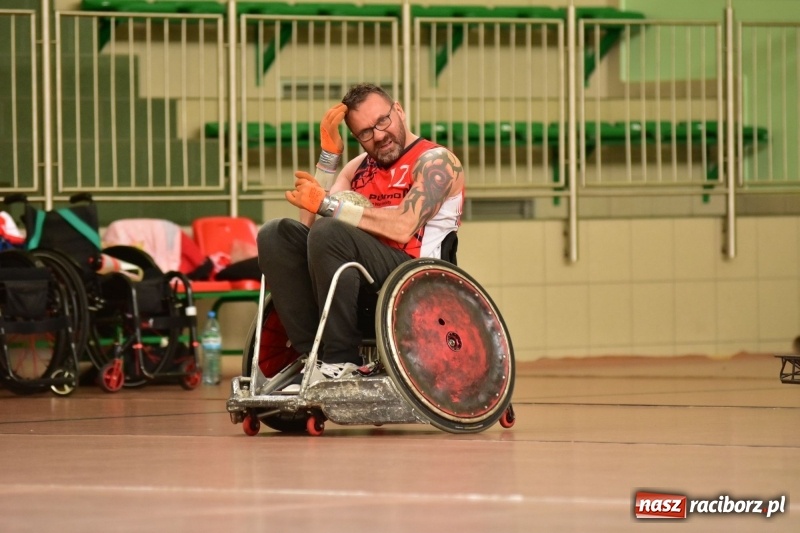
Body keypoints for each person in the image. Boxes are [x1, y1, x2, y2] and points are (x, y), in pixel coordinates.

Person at [256, 83, 465, 385]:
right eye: (366, 132)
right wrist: (328, 157)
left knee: (333, 228)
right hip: (357, 284)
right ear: (357, 138)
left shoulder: (436, 161)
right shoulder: (357, 168)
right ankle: (312, 357)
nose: (379, 135)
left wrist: (329, 205)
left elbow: (403, 227)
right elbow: (310, 230)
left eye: (383, 121)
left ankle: (342, 358)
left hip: (414, 283)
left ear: (399, 111)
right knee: (277, 234)